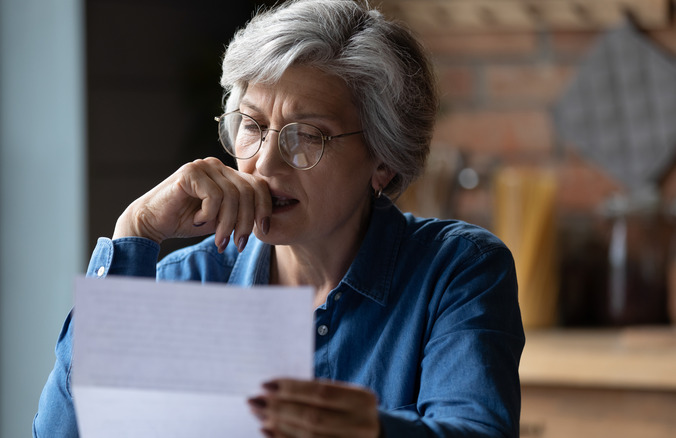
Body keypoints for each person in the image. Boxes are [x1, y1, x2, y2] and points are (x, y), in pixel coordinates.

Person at [33, 0, 525, 436]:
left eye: (307, 135)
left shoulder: (458, 270)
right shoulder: (189, 282)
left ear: (383, 159)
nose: (265, 164)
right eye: (252, 126)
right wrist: (134, 230)